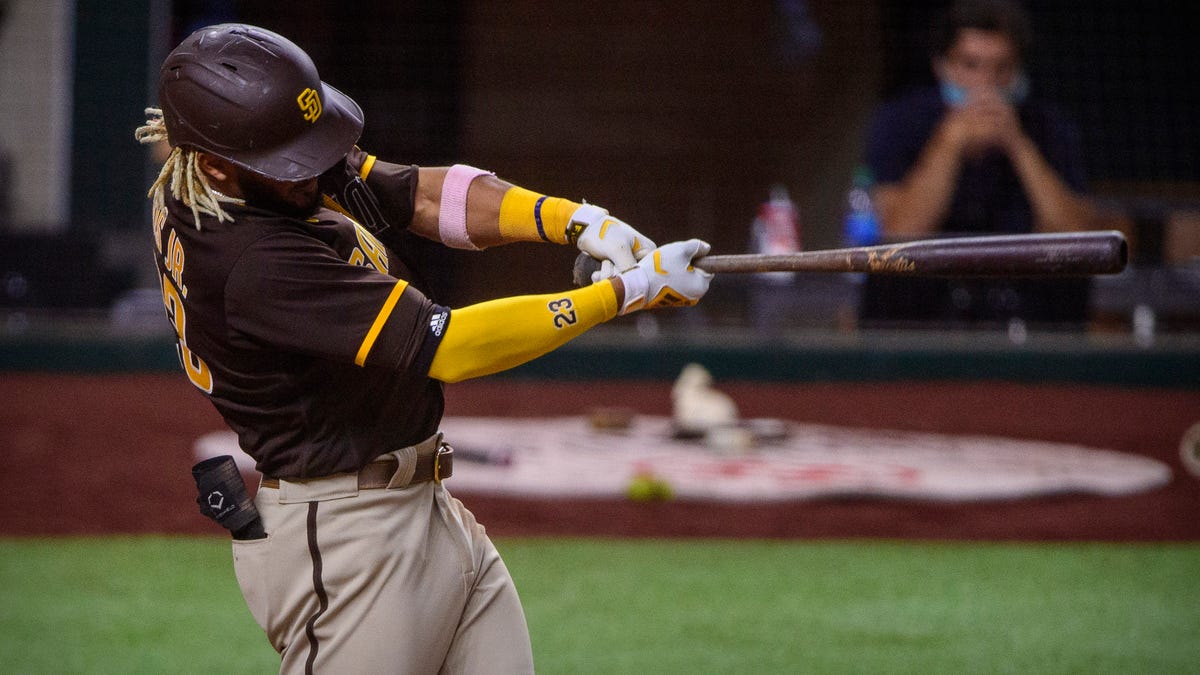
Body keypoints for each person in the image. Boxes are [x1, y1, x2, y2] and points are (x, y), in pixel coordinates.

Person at [136, 23, 711, 674]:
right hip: (346, 537)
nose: (317, 169)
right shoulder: (253, 262)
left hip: (425, 508)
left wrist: (577, 221)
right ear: (215, 164)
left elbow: (419, 193)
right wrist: (624, 294)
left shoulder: (239, 174)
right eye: (293, 160)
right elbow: (452, 344)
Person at [860, 0, 1096, 326]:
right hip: (922, 316)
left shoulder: (1048, 128)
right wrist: (950, 143)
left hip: (1024, 314)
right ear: (942, 65)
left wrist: (1018, 145)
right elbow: (900, 235)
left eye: (1001, 68)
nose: (985, 85)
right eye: (971, 65)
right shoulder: (900, 122)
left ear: (1019, 71)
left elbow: (1079, 243)